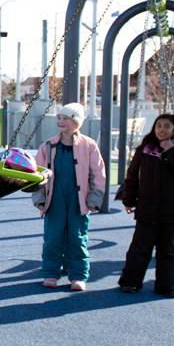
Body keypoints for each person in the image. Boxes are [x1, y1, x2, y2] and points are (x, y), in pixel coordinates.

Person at [117, 114, 174, 297]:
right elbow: (132, 175)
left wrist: (171, 150)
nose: (161, 129)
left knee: (169, 251)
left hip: (173, 210)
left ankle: (167, 286)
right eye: (158, 126)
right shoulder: (145, 149)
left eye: (166, 126)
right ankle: (130, 282)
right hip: (147, 209)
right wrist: (129, 200)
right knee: (139, 248)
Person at [32, 102, 106, 291]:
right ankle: (50, 273)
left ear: (76, 122)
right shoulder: (47, 146)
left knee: (77, 237)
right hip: (54, 198)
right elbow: (36, 175)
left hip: (78, 199)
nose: (61, 121)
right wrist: (39, 198)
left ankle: (78, 275)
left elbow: (98, 174)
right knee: (52, 236)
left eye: (66, 118)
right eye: (59, 117)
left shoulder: (89, 145)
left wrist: (94, 199)